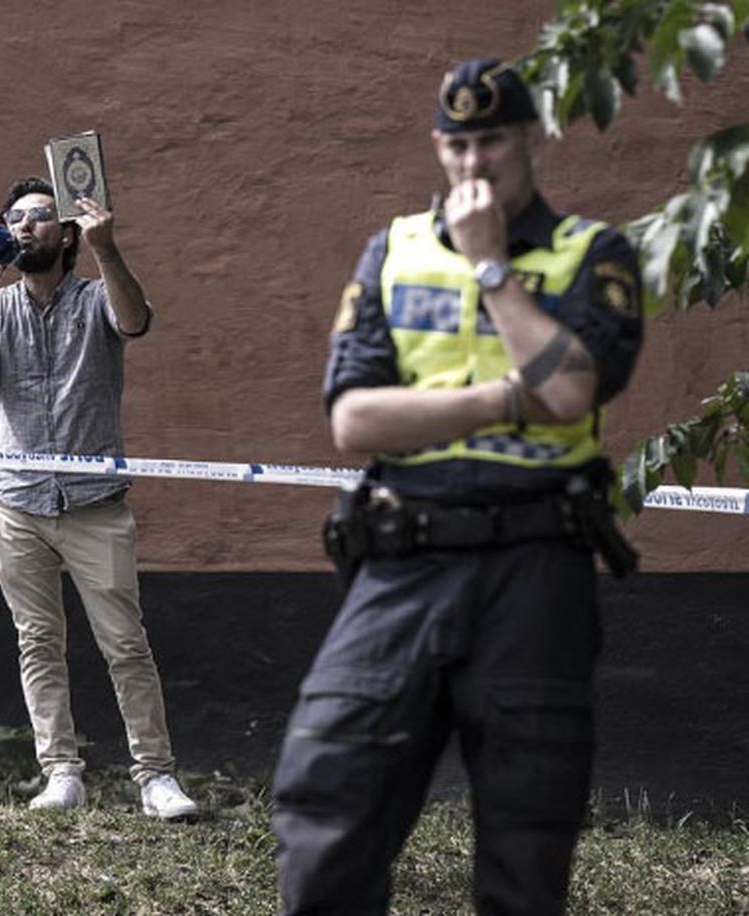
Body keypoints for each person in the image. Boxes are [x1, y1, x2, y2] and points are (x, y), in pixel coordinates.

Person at [270, 59, 644, 914]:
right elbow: (354, 422)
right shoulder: (392, 250)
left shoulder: (594, 254)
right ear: (440, 148)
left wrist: (489, 270)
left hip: (537, 567)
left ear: (531, 139)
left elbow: (578, 393)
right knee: (325, 794)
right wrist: (511, 397)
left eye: (495, 142)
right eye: (460, 145)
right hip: (403, 562)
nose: (476, 165)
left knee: (527, 836)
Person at [0, 176, 198, 819]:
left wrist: (110, 250)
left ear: (69, 235)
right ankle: (60, 773)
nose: (25, 226)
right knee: (38, 643)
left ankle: (155, 777)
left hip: (94, 506)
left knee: (125, 645)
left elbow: (135, 321)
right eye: (15, 218)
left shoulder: (92, 299)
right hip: (17, 505)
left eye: (40, 217)